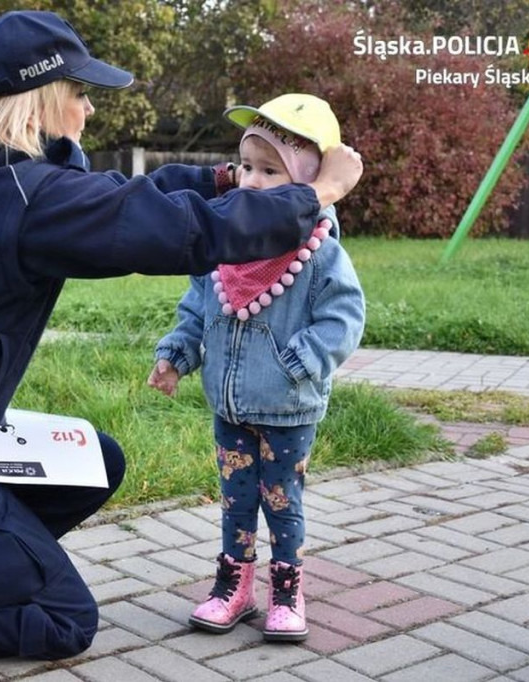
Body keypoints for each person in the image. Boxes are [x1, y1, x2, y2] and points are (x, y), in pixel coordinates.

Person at [0, 10, 363, 681]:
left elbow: (122, 199)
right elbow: (177, 233)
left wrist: (223, 180)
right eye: (81, 94)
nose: (89, 109)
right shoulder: (28, 200)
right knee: (64, 620)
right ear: (44, 101)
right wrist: (315, 194)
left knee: (97, 462)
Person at [147, 94, 366, 642]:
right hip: (229, 405)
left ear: (308, 180)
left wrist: (303, 360)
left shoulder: (317, 251)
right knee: (235, 500)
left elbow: (344, 316)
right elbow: (197, 308)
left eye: (271, 171)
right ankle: (234, 587)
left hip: (287, 407)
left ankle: (287, 591)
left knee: (282, 503)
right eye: (247, 166)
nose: (251, 180)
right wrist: (175, 355)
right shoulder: (225, 244)